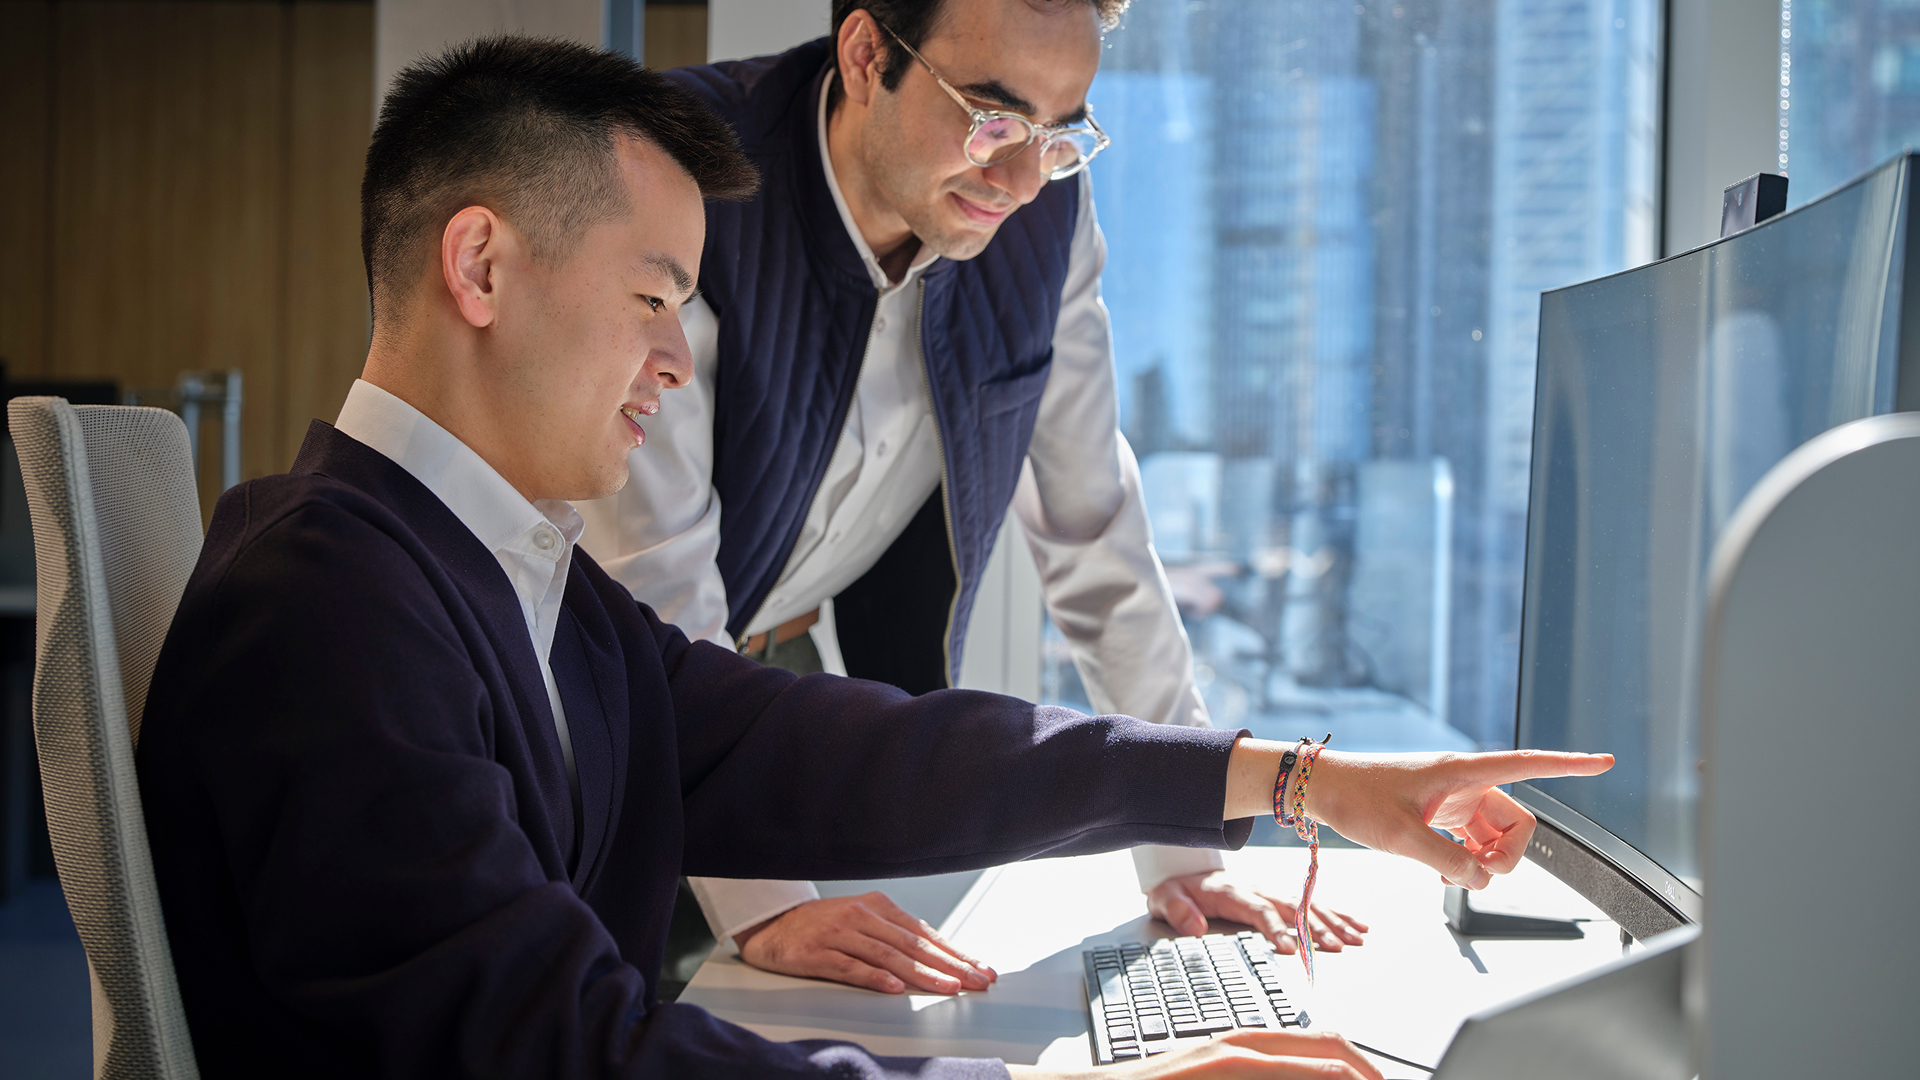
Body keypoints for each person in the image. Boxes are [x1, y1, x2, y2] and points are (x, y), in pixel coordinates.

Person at [135, 35, 1613, 1079]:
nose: (676, 363)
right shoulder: (328, 611)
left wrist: (1293, 781)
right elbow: (561, 1045)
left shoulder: (498, 579)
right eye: (653, 297)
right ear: (479, 266)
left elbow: (850, 751)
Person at [575, 0, 1340, 993]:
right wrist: (772, 906)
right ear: (866, 54)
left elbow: (1095, 534)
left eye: (1060, 131)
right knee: (607, 1000)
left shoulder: (1046, 216)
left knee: (816, 1011)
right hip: (597, 685)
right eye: (992, 117)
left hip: (780, 669)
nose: (1021, 180)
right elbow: (653, 579)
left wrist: (1184, 846)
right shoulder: (686, 173)